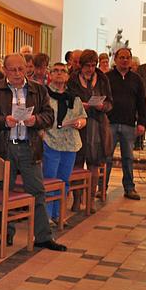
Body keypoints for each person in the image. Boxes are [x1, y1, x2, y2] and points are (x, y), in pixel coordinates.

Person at [0, 53, 66, 251]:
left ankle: (42, 236)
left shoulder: (38, 90)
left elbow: (49, 116)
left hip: (29, 146)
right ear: (5, 70)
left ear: (26, 69)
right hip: (4, 146)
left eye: (20, 69)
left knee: (37, 191)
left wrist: (36, 120)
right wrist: (3, 121)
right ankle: (7, 234)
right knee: (7, 191)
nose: (17, 73)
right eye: (12, 69)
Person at [42, 62, 87, 222]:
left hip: (70, 142)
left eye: (63, 71)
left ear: (68, 76)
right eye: (56, 71)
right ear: (50, 75)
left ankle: (59, 214)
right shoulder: (44, 95)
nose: (59, 73)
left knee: (64, 180)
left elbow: (82, 117)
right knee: (50, 179)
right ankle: (47, 216)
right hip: (51, 140)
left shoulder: (73, 97)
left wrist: (80, 123)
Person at [69, 50, 113, 205]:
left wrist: (103, 106)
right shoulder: (73, 78)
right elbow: (68, 100)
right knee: (77, 161)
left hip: (97, 124)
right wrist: (80, 105)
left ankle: (90, 201)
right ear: (81, 65)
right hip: (78, 124)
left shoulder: (102, 78)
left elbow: (110, 103)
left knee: (94, 162)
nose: (90, 69)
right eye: (87, 66)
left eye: (93, 65)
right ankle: (76, 199)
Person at [105, 47, 146, 200]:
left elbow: (142, 103)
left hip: (129, 124)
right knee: (107, 157)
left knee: (128, 158)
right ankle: (101, 188)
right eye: (121, 57)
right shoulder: (107, 77)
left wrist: (142, 122)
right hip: (110, 123)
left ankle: (129, 188)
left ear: (130, 60)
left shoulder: (136, 79)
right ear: (115, 60)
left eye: (127, 58)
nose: (124, 60)